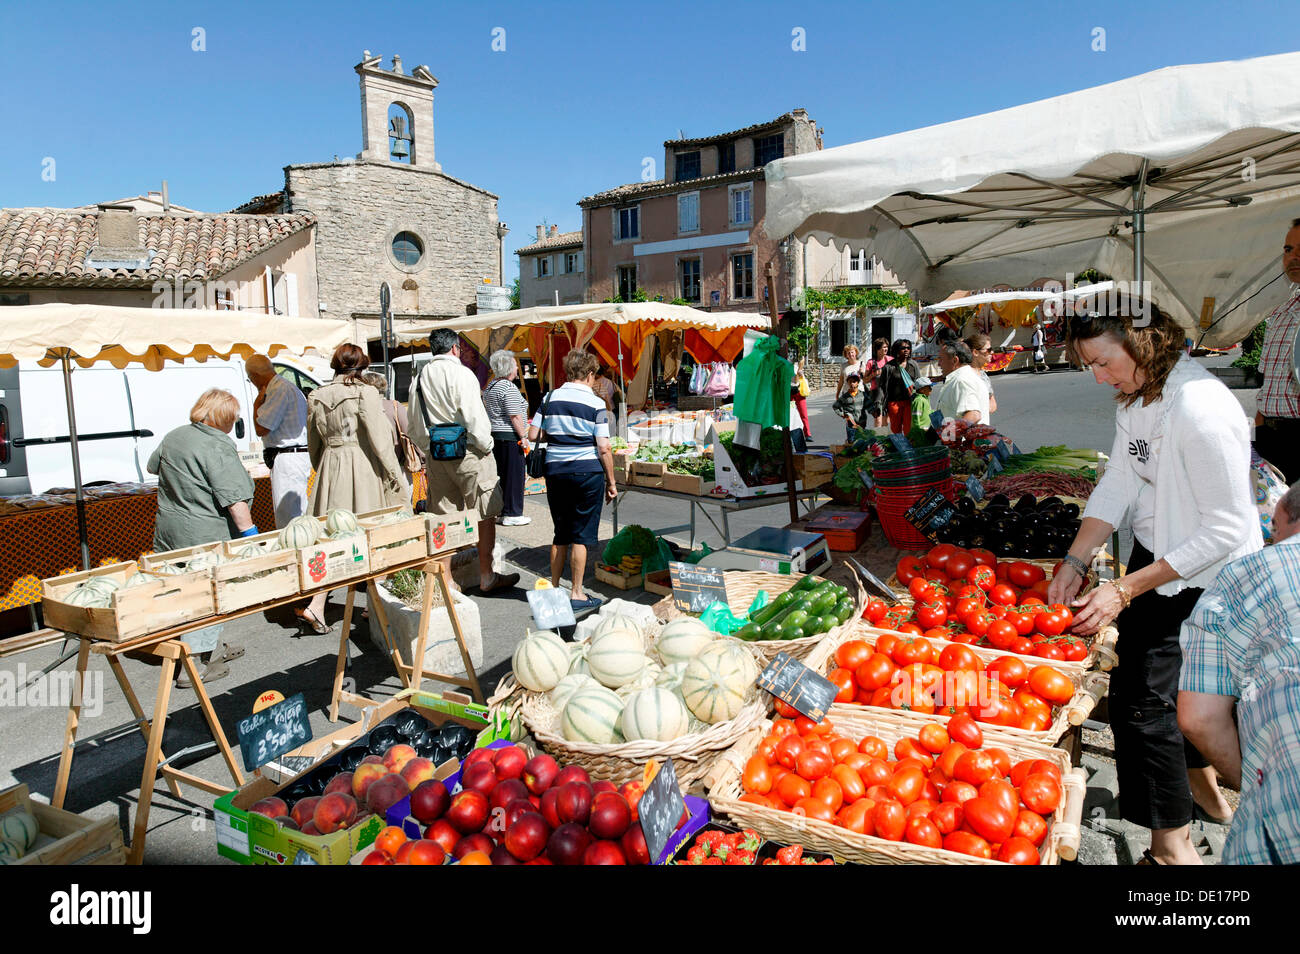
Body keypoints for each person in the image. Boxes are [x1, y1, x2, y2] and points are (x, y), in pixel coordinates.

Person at [1047, 296, 1262, 865]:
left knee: (1146, 702)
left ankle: (1172, 849)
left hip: (1205, 576)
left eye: (1102, 362)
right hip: (1158, 554)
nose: (1097, 377)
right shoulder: (1137, 400)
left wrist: (1125, 588)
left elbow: (1227, 528)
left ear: (1141, 343)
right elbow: (1120, 479)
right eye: (1088, 365)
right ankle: (1204, 795)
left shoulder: (1200, 407)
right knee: (1165, 696)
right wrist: (1075, 558)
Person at [1178, 482, 1300, 864]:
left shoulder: (1244, 575)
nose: (1271, 539)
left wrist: (1257, 784)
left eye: (1274, 530)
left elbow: (1200, 718)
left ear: (1289, 522)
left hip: (1284, 826)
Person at [148, 388, 258, 685]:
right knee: (206, 596)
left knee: (179, 592)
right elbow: (235, 500)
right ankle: (193, 666)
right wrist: (251, 537)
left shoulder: (175, 435)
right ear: (224, 418)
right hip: (204, 534)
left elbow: (151, 465)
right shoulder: (218, 446)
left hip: (170, 530)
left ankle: (207, 647)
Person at [299, 344, 410, 633]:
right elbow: (379, 438)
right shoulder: (366, 392)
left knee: (330, 538)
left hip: (330, 465)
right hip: (362, 466)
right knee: (368, 536)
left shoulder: (317, 395)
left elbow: (313, 444)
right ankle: (372, 608)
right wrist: (393, 471)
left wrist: (324, 466)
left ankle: (318, 604)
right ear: (362, 366)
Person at [409, 330, 519, 595]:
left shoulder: (419, 379)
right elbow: (474, 417)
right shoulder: (462, 374)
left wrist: (429, 447)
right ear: (456, 349)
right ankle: (486, 575)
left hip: (437, 452)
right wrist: (486, 445)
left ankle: (446, 580)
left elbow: (414, 423)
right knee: (485, 513)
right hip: (469, 451)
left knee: (443, 517)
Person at [528, 349, 617, 610]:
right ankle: (576, 593)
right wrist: (611, 482)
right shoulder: (596, 404)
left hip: (556, 470)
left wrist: (559, 434)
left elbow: (533, 434)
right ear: (589, 374)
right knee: (581, 534)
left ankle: (555, 589)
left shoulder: (550, 397)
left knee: (561, 533)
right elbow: (604, 447)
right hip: (587, 472)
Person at [1252, 218, 1300, 484]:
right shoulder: (1282, 310)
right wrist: (1259, 428)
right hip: (1269, 439)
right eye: (1288, 249)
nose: (1293, 257)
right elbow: (1268, 381)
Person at [246, 354, 310, 529]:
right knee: (293, 515)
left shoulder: (279, 390)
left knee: (290, 519)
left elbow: (261, 428)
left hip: (288, 458)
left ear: (255, 376)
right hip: (290, 456)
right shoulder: (283, 387)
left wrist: (256, 404)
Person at [483, 349, 531, 527]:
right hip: (510, 436)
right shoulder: (508, 387)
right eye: (515, 365)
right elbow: (515, 416)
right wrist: (524, 436)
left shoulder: (491, 386)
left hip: (496, 435)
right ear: (509, 368)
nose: (517, 368)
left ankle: (504, 511)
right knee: (514, 476)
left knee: (502, 476)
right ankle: (513, 513)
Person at [934, 339, 986, 424]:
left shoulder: (962, 380)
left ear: (955, 360)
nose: (939, 364)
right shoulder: (960, 378)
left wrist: (948, 435)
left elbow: (973, 415)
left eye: (941, 359)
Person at [877, 339, 921, 434]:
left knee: (908, 429)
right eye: (903, 348)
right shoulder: (889, 367)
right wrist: (879, 404)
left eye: (908, 348)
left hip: (909, 402)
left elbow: (919, 383)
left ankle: (908, 448)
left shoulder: (913, 365)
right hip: (894, 403)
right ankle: (899, 448)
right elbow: (882, 386)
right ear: (896, 350)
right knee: (896, 430)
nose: (906, 350)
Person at [963, 332, 997, 422]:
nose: (992, 352)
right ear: (975, 352)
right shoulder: (964, 376)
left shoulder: (983, 375)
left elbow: (993, 406)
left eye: (991, 349)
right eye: (988, 350)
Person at [831, 372, 867, 441]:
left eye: (854, 381)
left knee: (861, 440)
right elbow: (835, 406)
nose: (852, 383)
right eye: (850, 382)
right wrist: (843, 415)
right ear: (847, 383)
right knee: (852, 440)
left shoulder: (863, 395)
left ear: (858, 382)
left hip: (862, 421)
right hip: (851, 423)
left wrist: (874, 411)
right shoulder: (845, 396)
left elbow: (869, 405)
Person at [863, 337, 890, 426]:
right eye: (883, 347)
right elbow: (865, 380)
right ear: (878, 349)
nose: (886, 349)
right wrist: (873, 375)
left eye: (886, 347)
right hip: (877, 394)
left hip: (889, 392)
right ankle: (878, 439)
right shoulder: (871, 362)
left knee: (886, 421)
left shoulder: (891, 360)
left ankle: (884, 439)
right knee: (878, 419)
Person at [792, 358, 813, 440]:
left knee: (803, 414)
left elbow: (802, 378)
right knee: (790, 414)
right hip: (789, 392)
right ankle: (790, 433)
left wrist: (801, 374)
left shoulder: (798, 365)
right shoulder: (784, 365)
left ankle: (807, 434)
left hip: (799, 391)